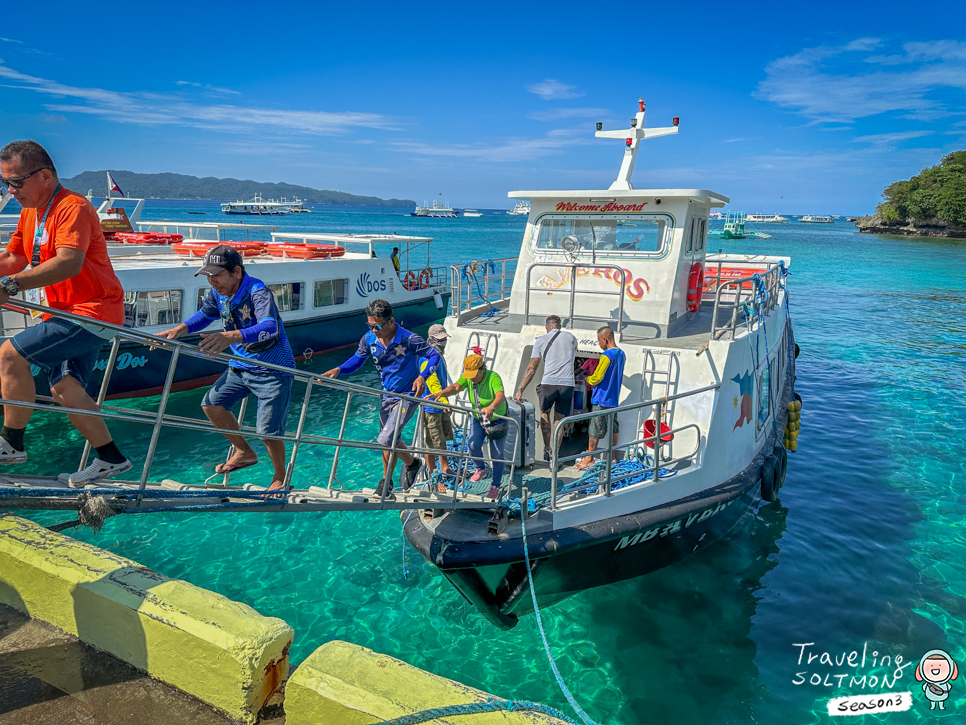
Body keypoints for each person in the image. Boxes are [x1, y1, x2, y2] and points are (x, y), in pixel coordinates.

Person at [0, 140, 132, 485]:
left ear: (44, 176)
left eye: (16, 182)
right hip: (65, 313)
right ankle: (111, 459)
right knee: (64, 386)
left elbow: (69, 263)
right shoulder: (31, 212)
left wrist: (10, 286)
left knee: (9, 354)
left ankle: (11, 442)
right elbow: (14, 258)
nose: (10, 190)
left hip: (91, 312)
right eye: (5, 183)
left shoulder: (73, 207)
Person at [156, 245, 294, 492]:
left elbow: (270, 327)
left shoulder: (257, 292)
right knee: (212, 403)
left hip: (272, 368)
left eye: (217, 275)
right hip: (241, 365)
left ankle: (280, 478)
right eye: (208, 275)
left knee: (267, 431)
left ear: (237, 272)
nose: (212, 280)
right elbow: (205, 315)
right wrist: (180, 329)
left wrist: (230, 336)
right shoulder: (217, 292)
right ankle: (244, 452)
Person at [322, 299, 438, 499]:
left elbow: (434, 356)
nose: (374, 330)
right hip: (387, 396)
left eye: (378, 326)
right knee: (389, 438)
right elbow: (358, 360)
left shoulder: (409, 339)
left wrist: (422, 376)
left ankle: (386, 483)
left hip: (408, 395)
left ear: (391, 321)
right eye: (370, 326)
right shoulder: (369, 339)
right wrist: (338, 369)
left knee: (386, 438)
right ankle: (412, 463)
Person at [430, 354, 506, 500]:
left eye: (474, 375)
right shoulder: (469, 378)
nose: (471, 378)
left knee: (496, 455)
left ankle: (496, 485)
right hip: (478, 418)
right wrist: (441, 393)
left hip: (497, 420)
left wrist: (492, 407)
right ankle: (480, 468)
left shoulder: (493, 377)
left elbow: (500, 395)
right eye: (469, 375)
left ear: (482, 369)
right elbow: (457, 387)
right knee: (472, 445)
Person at [514, 315, 577, 461]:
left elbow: (532, 368)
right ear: (559, 326)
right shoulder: (571, 337)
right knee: (560, 419)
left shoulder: (540, 341)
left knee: (544, 414)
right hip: (567, 384)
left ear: (547, 326)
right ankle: (556, 454)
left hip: (549, 383)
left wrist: (520, 389)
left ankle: (547, 448)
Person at [577, 326, 626, 470]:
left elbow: (598, 376)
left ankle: (589, 459)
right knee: (613, 427)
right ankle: (612, 457)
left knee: (594, 430)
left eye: (599, 340)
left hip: (601, 398)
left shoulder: (606, 356)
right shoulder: (621, 354)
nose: (599, 343)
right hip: (613, 399)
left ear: (605, 339)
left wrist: (587, 379)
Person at [419, 324, 454, 489]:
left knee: (441, 441)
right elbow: (433, 384)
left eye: (445, 339)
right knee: (432, 444)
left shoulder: (440, 357)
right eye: (439, 340)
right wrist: (444, 402)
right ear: (430, 340)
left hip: (440, 405)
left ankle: (445, 468)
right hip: (431, 408)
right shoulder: (426, 359)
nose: (443, 343)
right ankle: (433, 475)